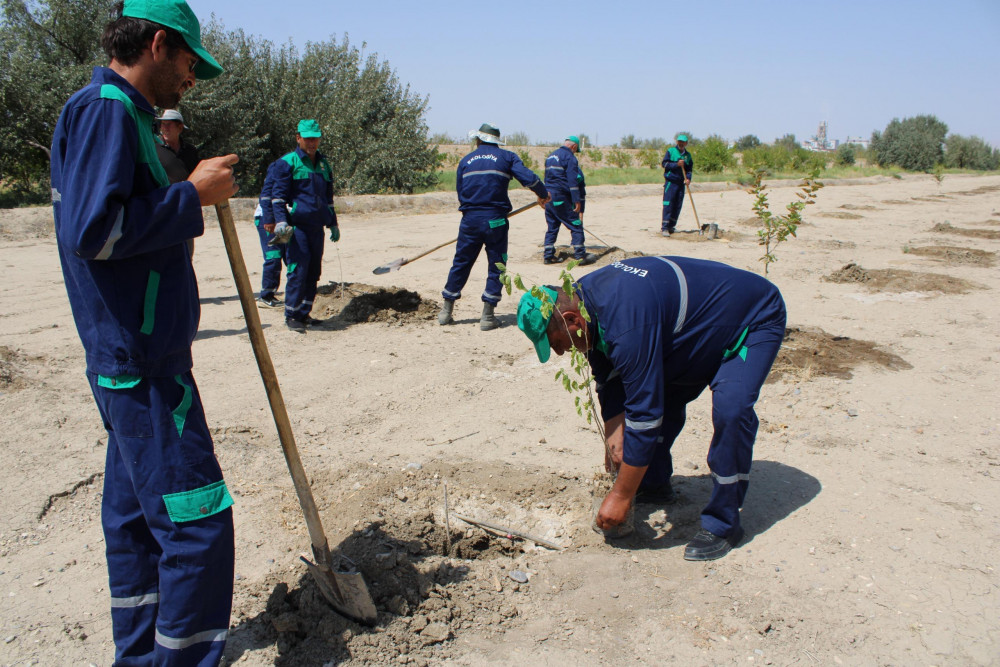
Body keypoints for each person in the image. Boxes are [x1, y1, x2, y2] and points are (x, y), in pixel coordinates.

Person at [50, 0, 238, 664]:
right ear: (158, 44)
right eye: (190, 64)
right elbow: (94, 232)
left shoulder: (115, 114)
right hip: (144, 365)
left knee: (135, 525)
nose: (192, 80)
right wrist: (193, 195)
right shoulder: (107, 109)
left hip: (132, 357)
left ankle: (139, 654)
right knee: (198, 524)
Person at [516, 256, 786, 560]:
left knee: (731, 410)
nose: (560, 352)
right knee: (661, 389)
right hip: (696, 327)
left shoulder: (626, 325)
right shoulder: (585, 300)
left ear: (572, 320)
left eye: (556, 343)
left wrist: (621, 494)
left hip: (752, 318)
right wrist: (613, 429)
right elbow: (608, 372)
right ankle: (654, 484)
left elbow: (646, 415)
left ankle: (724, 523)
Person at [439, 123, 550, 330]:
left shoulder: (465, 161)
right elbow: (529, 179)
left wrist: (473, 213)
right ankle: (488, 317)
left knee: (461, 262)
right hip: (495, 221)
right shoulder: (507, 157)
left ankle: (446, 311)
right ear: (496, 141)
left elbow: (461, 193)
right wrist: (543, 194)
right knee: (497, 265)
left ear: (478, 140)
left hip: (469, 220)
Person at [270, 119, 340, 333]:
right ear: (298, 137)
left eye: (315, 138)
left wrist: (333, 223)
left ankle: (305, 313)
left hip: (316, 227)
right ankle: (291, 314)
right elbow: (278, 197)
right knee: (298, 270)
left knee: (313, 271)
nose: (312, 142)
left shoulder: (323, 164)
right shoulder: (287, 163)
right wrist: (280, 220)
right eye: (308, 138)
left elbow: (328, 198)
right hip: (297, 228)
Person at [542, 135, 596, 265]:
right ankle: (580, 256)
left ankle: (548, 256)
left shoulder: (551, 156)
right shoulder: (570, 157)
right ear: (574, 147)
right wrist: (576, 200)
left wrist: (543, 196)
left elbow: (547, 178)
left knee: (552, 226)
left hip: (548, 197)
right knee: (576, 224)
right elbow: (572, 179)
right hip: (561, 197)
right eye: (575, 150)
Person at [253, 160, 286, 308]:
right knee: (273, 256)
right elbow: (266, 196)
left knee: (290, 257)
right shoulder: (278, 167)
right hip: (267, 218)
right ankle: (266, 296)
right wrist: (269, 218)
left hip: (284, 218)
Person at [155, 108, 200, 183]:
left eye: (169, 124)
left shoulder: (190, 150)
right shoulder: (155, 150)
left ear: (180, 128)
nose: (165, 128)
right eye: (163, 124)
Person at [661, 133, 693, 236]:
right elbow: (664, 164)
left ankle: (671, 226)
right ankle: (665, 228)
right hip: (671, 182)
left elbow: (689, 170)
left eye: (683, 142)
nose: (681, 143)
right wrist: (676, 165)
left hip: (681, 183)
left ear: (686, 143)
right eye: (679, 141)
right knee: (668, 204)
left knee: (677, 205)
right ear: (677, 142)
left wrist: (688, 179)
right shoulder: (671, 151)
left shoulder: (688, 156)